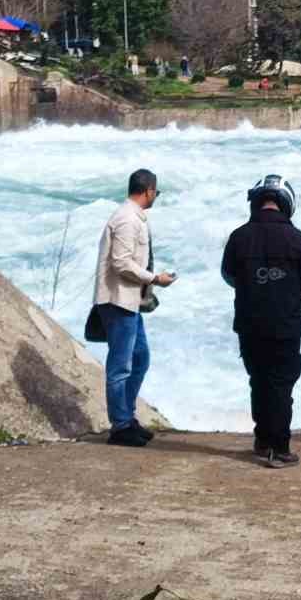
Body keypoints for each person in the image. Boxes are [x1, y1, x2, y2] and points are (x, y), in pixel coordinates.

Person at [220, 175, 301, 468]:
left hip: (249, 323)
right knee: (282, 385)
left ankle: (262, 439)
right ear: (286, 203)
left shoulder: (238, 236)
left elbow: (228, 276)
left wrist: (254, 285)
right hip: (285, 324)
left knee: (259, 381)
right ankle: (279, 448)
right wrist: (288, 284)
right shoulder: (297, 237)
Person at [93, 169, 176, 447]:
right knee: (120, 366)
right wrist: (155, 279)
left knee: (140, 359)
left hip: (129, 303)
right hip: (118, 301)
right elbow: (121, 263)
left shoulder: (131, 216)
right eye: (156, 193)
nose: (156, 197)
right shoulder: (128, 219)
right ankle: (120, 426)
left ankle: (126, 417)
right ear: (148, 191)